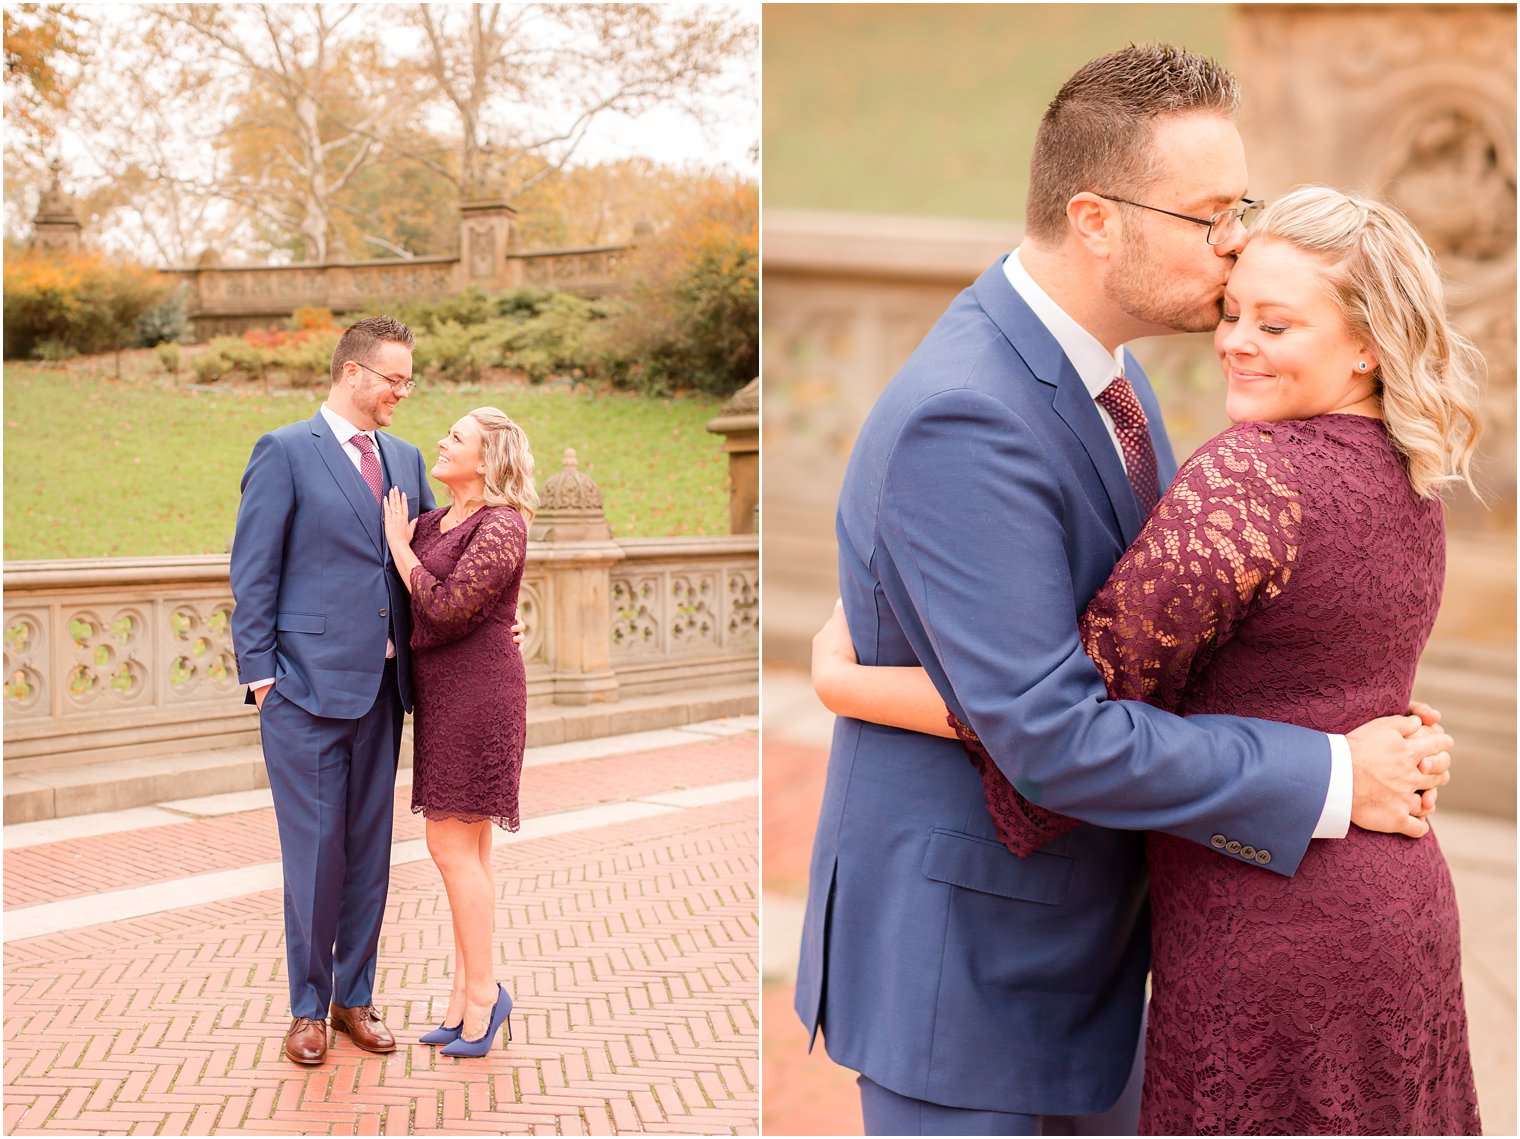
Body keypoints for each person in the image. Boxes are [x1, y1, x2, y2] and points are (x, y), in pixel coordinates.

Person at [793, 44, 1455, 1136]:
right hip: (971, 979)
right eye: (1208, 215)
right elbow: (1049, 731)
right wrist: (1331, 771)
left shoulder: (1111, 372)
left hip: (1093, 956)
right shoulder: (967, 415)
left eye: (1236, 204)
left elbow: (1132, 657)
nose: (1237, 240)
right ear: (1096, 218)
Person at [230, 315, 435, 1065]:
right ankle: (307, 1008)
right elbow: (253, 572)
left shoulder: (408, 459)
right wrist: (262, 682)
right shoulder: (285, 451)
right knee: (314, 855)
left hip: (385, 693)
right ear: (353, 372)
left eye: (408, 380)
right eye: (393, 378)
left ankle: (356, 996)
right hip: (304, 695)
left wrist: (494, 623)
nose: (402, 393)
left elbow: (433, 562)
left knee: (370, 853)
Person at [381, 407, 535, 1058]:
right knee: (469, 852)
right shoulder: (432, 520)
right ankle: (464, 992)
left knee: (449, 846)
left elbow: (445, 607)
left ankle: (484, 998)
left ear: (488, 457)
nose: (441, 442)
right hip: (444, 698)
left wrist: (397, 546)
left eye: (457, 437)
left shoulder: (503, 525)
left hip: (482, 698)